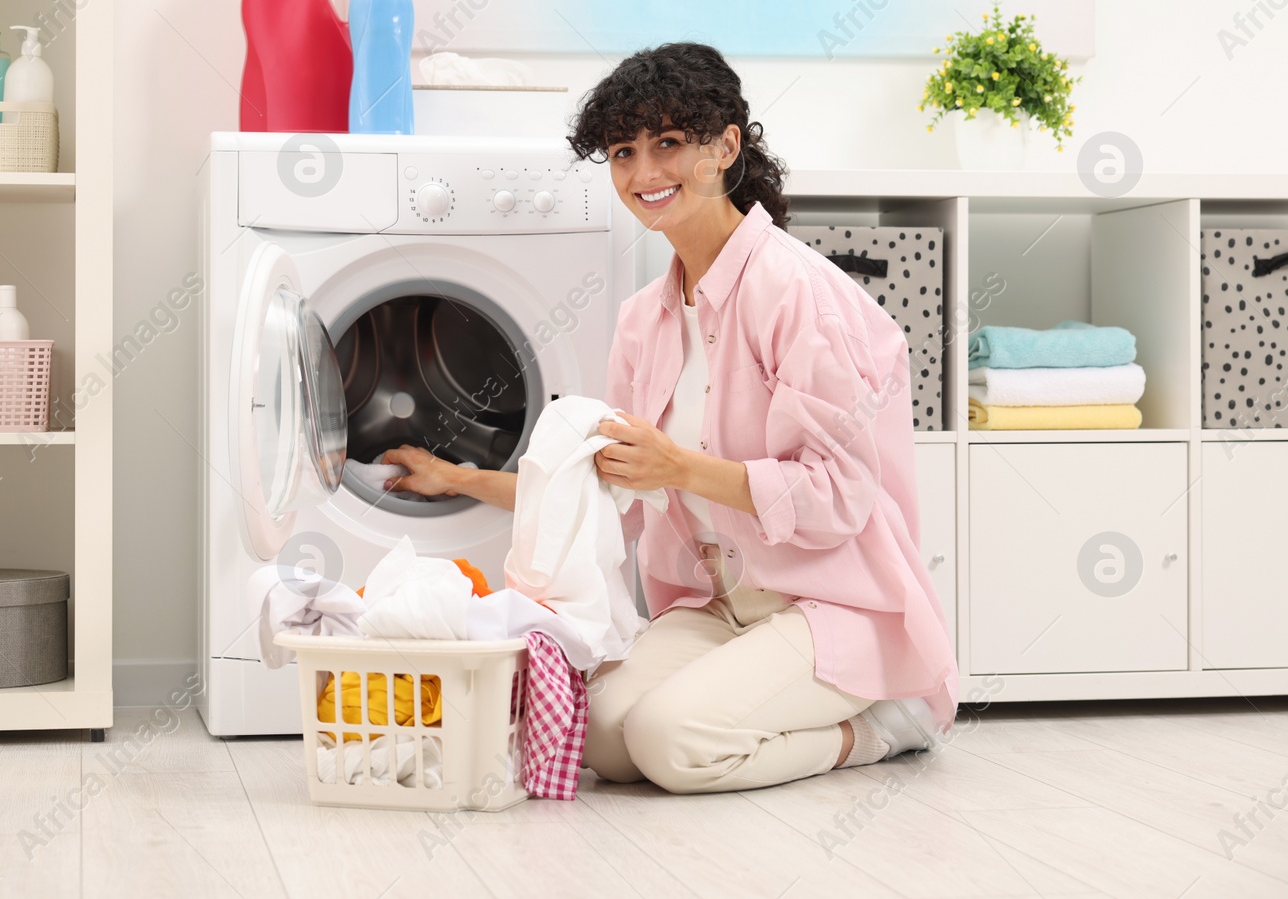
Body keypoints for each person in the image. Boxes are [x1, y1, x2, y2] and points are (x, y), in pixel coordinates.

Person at [378, 42, 958, 794]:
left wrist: (682, 468)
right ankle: (765, 706)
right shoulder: (642, 321)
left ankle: (881, 726)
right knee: (604, 737)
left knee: (670, 741)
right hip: (718, 604)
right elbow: (605, 488)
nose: (645, 172)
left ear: (725, 148)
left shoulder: (794, 292)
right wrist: (456, 477)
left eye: (669, 144)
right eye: (624, 151)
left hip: (829, 603)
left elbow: (839, 493)